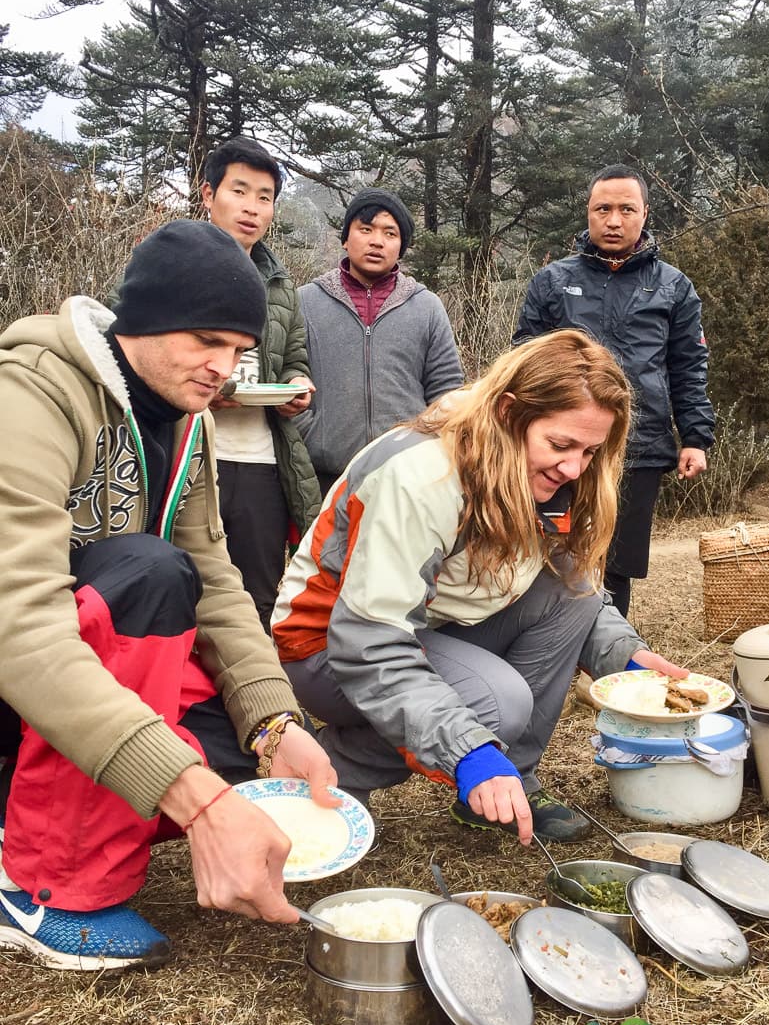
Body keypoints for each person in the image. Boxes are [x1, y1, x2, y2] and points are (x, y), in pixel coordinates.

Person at [0, 220, 338, 972]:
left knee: (237, 750)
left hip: (81, 662)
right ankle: (38, 886)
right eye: (208, 342)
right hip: (23, 664)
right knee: (149, 573)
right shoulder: (28, 396)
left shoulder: (188, 423)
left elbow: (217, 583)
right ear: (146, 321)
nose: (226, 368)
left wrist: (276, 723)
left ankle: (51, 814)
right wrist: (198, 805)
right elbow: (20, 626)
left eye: (240, 351)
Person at [272, 330, 687, 845]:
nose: (574, 467)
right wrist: (464, 746)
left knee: (571, 589)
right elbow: (370, 641)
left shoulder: (552, 471)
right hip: (327, 643)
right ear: (510, 413)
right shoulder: (422, 475)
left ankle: (508, 781)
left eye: (590, 450)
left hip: (433, 625)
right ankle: (314, 773)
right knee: (495, 704)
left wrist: (627, 659)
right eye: (560, 445)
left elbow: (568, 580)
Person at [514, 165, 714, 617]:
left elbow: (687, 366)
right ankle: (546, 642)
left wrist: (696, 437)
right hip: (563, 449)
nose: (614, 220)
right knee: (549, 551)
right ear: (588, 213)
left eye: (627, 209)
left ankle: (608, 658)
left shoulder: (673, 286)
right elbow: (524, 362)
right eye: (602, 209)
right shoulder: (551, 281)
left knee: (617, 562)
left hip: (638, 448)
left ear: (645, 214)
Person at [201, 136, 320, 628]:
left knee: (255, 596)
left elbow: (295, 358)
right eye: (240, 191)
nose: (252, 208)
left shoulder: (279, 284)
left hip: (261, 462)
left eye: (264, 197)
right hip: (191, 455)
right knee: (182, 589)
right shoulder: (172, 267)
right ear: (208, 194)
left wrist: (296, 387)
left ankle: (251, 702)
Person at [296, 187, 464, 499]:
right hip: (324, 477)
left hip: (408, 477)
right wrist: (311, 434)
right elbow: (289, 372)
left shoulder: (426, 306)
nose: (377, 241)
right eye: (365, 229)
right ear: (346, 238)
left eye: (390, 233)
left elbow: (447, 391)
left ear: (401, 247)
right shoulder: (306, 301)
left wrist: (427, 446)